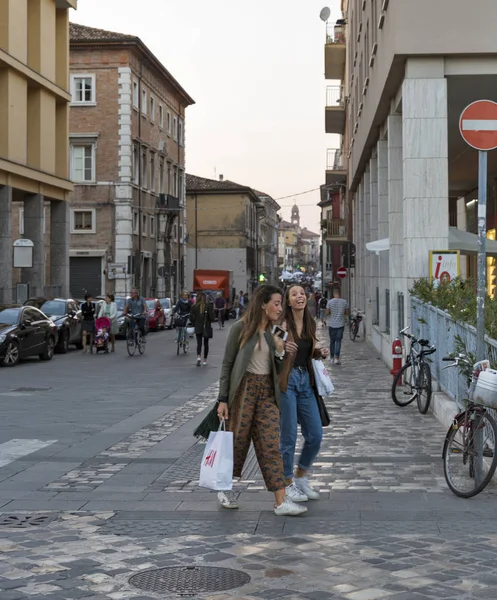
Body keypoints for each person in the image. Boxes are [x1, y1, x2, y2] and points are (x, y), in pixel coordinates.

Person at [216, 285, 307, 516]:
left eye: (279, 303)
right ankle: (224, 487)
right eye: (276, 303)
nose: (279, 307)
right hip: (244, 389)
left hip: (267, 391)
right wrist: (223, 399)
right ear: (262, 305)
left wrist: (279, 351)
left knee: (270, 445)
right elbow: (227, 365)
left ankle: (280, 501)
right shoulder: (240, 329)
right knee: (237, 442)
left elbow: (279, 368)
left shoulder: (277, 333)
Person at [279, 284, 330, 503]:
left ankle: (301, 476)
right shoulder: (281, 324)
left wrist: (319, 352)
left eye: (301, 293)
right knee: (288, 437)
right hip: (288, 381)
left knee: (315, 435)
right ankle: (287, 482)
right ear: (288, 301)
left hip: (306, 381)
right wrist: (281, 347)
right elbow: (274, 349)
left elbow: (305, 351)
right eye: (294, 294)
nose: (299, 297)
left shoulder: (310, 321)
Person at [191, 292, 215, 367]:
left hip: (198, 327)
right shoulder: (208, 306)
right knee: (206, 344)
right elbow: (212, 318)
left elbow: (191, 318)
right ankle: (204, 359)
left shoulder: (194, 306)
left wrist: (195, 322)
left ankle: (198, 357)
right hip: (206, 327)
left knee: (199, 343)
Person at [326, 287, 349, 365]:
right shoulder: (344, 302)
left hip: (332, 324)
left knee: (332, 341)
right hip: (340, 324)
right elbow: (347, 313)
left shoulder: (330, 302)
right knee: (338, 341)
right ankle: (337, 358)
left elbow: (327, 313)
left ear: (333, 294)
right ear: (340, 294)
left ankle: (331, 357)